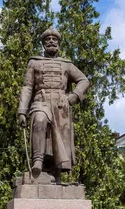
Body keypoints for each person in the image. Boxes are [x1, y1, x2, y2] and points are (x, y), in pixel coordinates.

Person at [18, 28, 90, 181]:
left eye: (54, 39)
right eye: (48, 39)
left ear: (59, 43)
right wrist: (22, 111)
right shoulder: (34, 62)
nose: (51, 41)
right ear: (44, 44)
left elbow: (83, 80)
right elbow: (27, 86)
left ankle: (55, 173)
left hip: (60, 105)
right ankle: (37, 160)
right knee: (39, 120)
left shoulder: (67, 65)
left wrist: (75, 95)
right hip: (41, 100)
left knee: (58, 141)